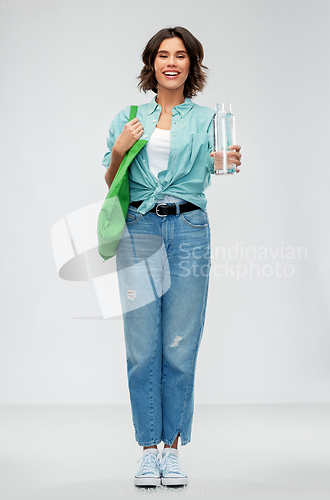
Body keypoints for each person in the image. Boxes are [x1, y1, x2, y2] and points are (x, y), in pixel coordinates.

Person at [102, 26, 242, 487]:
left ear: (191, 65)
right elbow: (112, 182)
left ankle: (172, 449)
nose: (171, 62)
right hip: (139, 228)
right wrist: (120, 149)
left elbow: (217, 164)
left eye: (181, 55)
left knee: (180, 344)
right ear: (152, 63)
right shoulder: (128, 116)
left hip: (188, 228)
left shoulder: (206, 119)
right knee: (142, 348)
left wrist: (228, 156)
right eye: (163, 54)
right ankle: (147, 451)